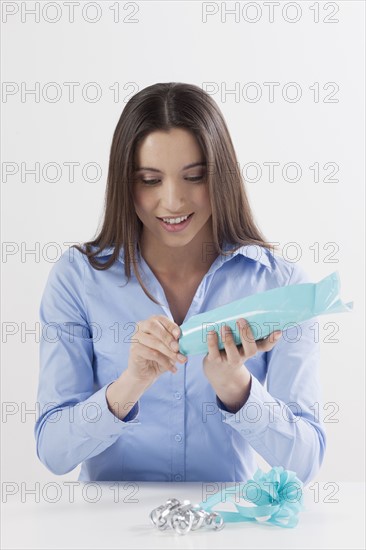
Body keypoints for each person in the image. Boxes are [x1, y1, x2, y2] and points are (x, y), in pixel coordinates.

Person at [34, 82, 326, 483]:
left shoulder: (279, 283)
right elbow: (53, 451)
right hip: (106, 535)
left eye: (194, 177)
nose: (172, 201)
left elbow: (305, 462)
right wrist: (129, 385)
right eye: (150, 180)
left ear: (220, 177)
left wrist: (237, 389)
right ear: (124, 182)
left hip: (224, 532)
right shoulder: (78, 278)